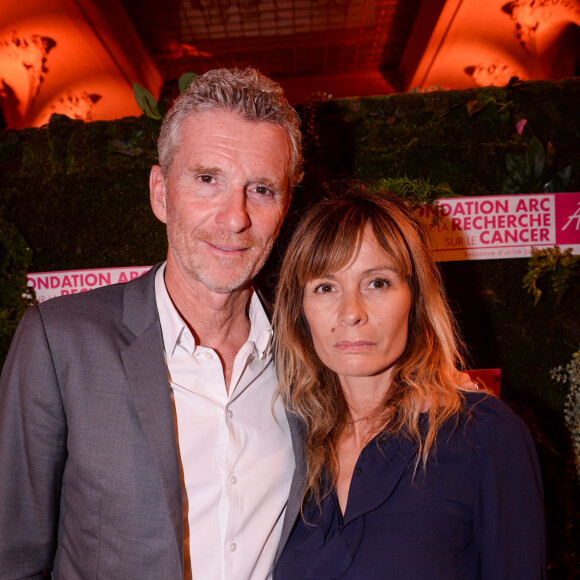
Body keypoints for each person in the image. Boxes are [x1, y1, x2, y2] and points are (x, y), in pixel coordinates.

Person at [0, 68, 305, 579]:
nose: (235, 217)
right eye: (208, 179)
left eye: (261, 189)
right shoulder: (60, 343)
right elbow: (12, 556)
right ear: (161, 193)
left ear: (285, 207)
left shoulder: (310, 352)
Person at [272, 190, 546, 579]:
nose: (351, 313)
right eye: (326, 287)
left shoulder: (486, 435)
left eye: (377, 283)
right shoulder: (281, 440)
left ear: (416, 298)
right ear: (300, 311)